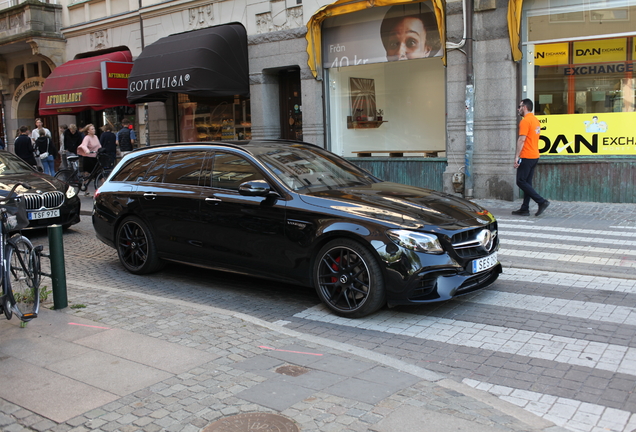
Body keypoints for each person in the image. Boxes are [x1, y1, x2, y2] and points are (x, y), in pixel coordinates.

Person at [513, 99, 550, 217]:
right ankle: (525, 208)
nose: (518, 109)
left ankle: (541, 201)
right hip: (535, 155)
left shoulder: (525, 121)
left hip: (527, 155)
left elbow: (521, 139)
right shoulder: (535, 120)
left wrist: (516, 157)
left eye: (519, 107)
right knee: (527, 182)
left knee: (520, 181)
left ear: (525, 107)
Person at [77, 124, 102, 195]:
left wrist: (101, 150)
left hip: (95, 157)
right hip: (88, 157)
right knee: (87, 174)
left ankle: (106, 189)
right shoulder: (87, 138)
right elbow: (83, 145)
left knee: (99, 173)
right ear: (88, 131)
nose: (94, 130)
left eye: (94, 129)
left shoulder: (96, 137)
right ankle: (85, 189)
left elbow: (99, 146)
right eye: (92, 129)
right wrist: (87, 150)